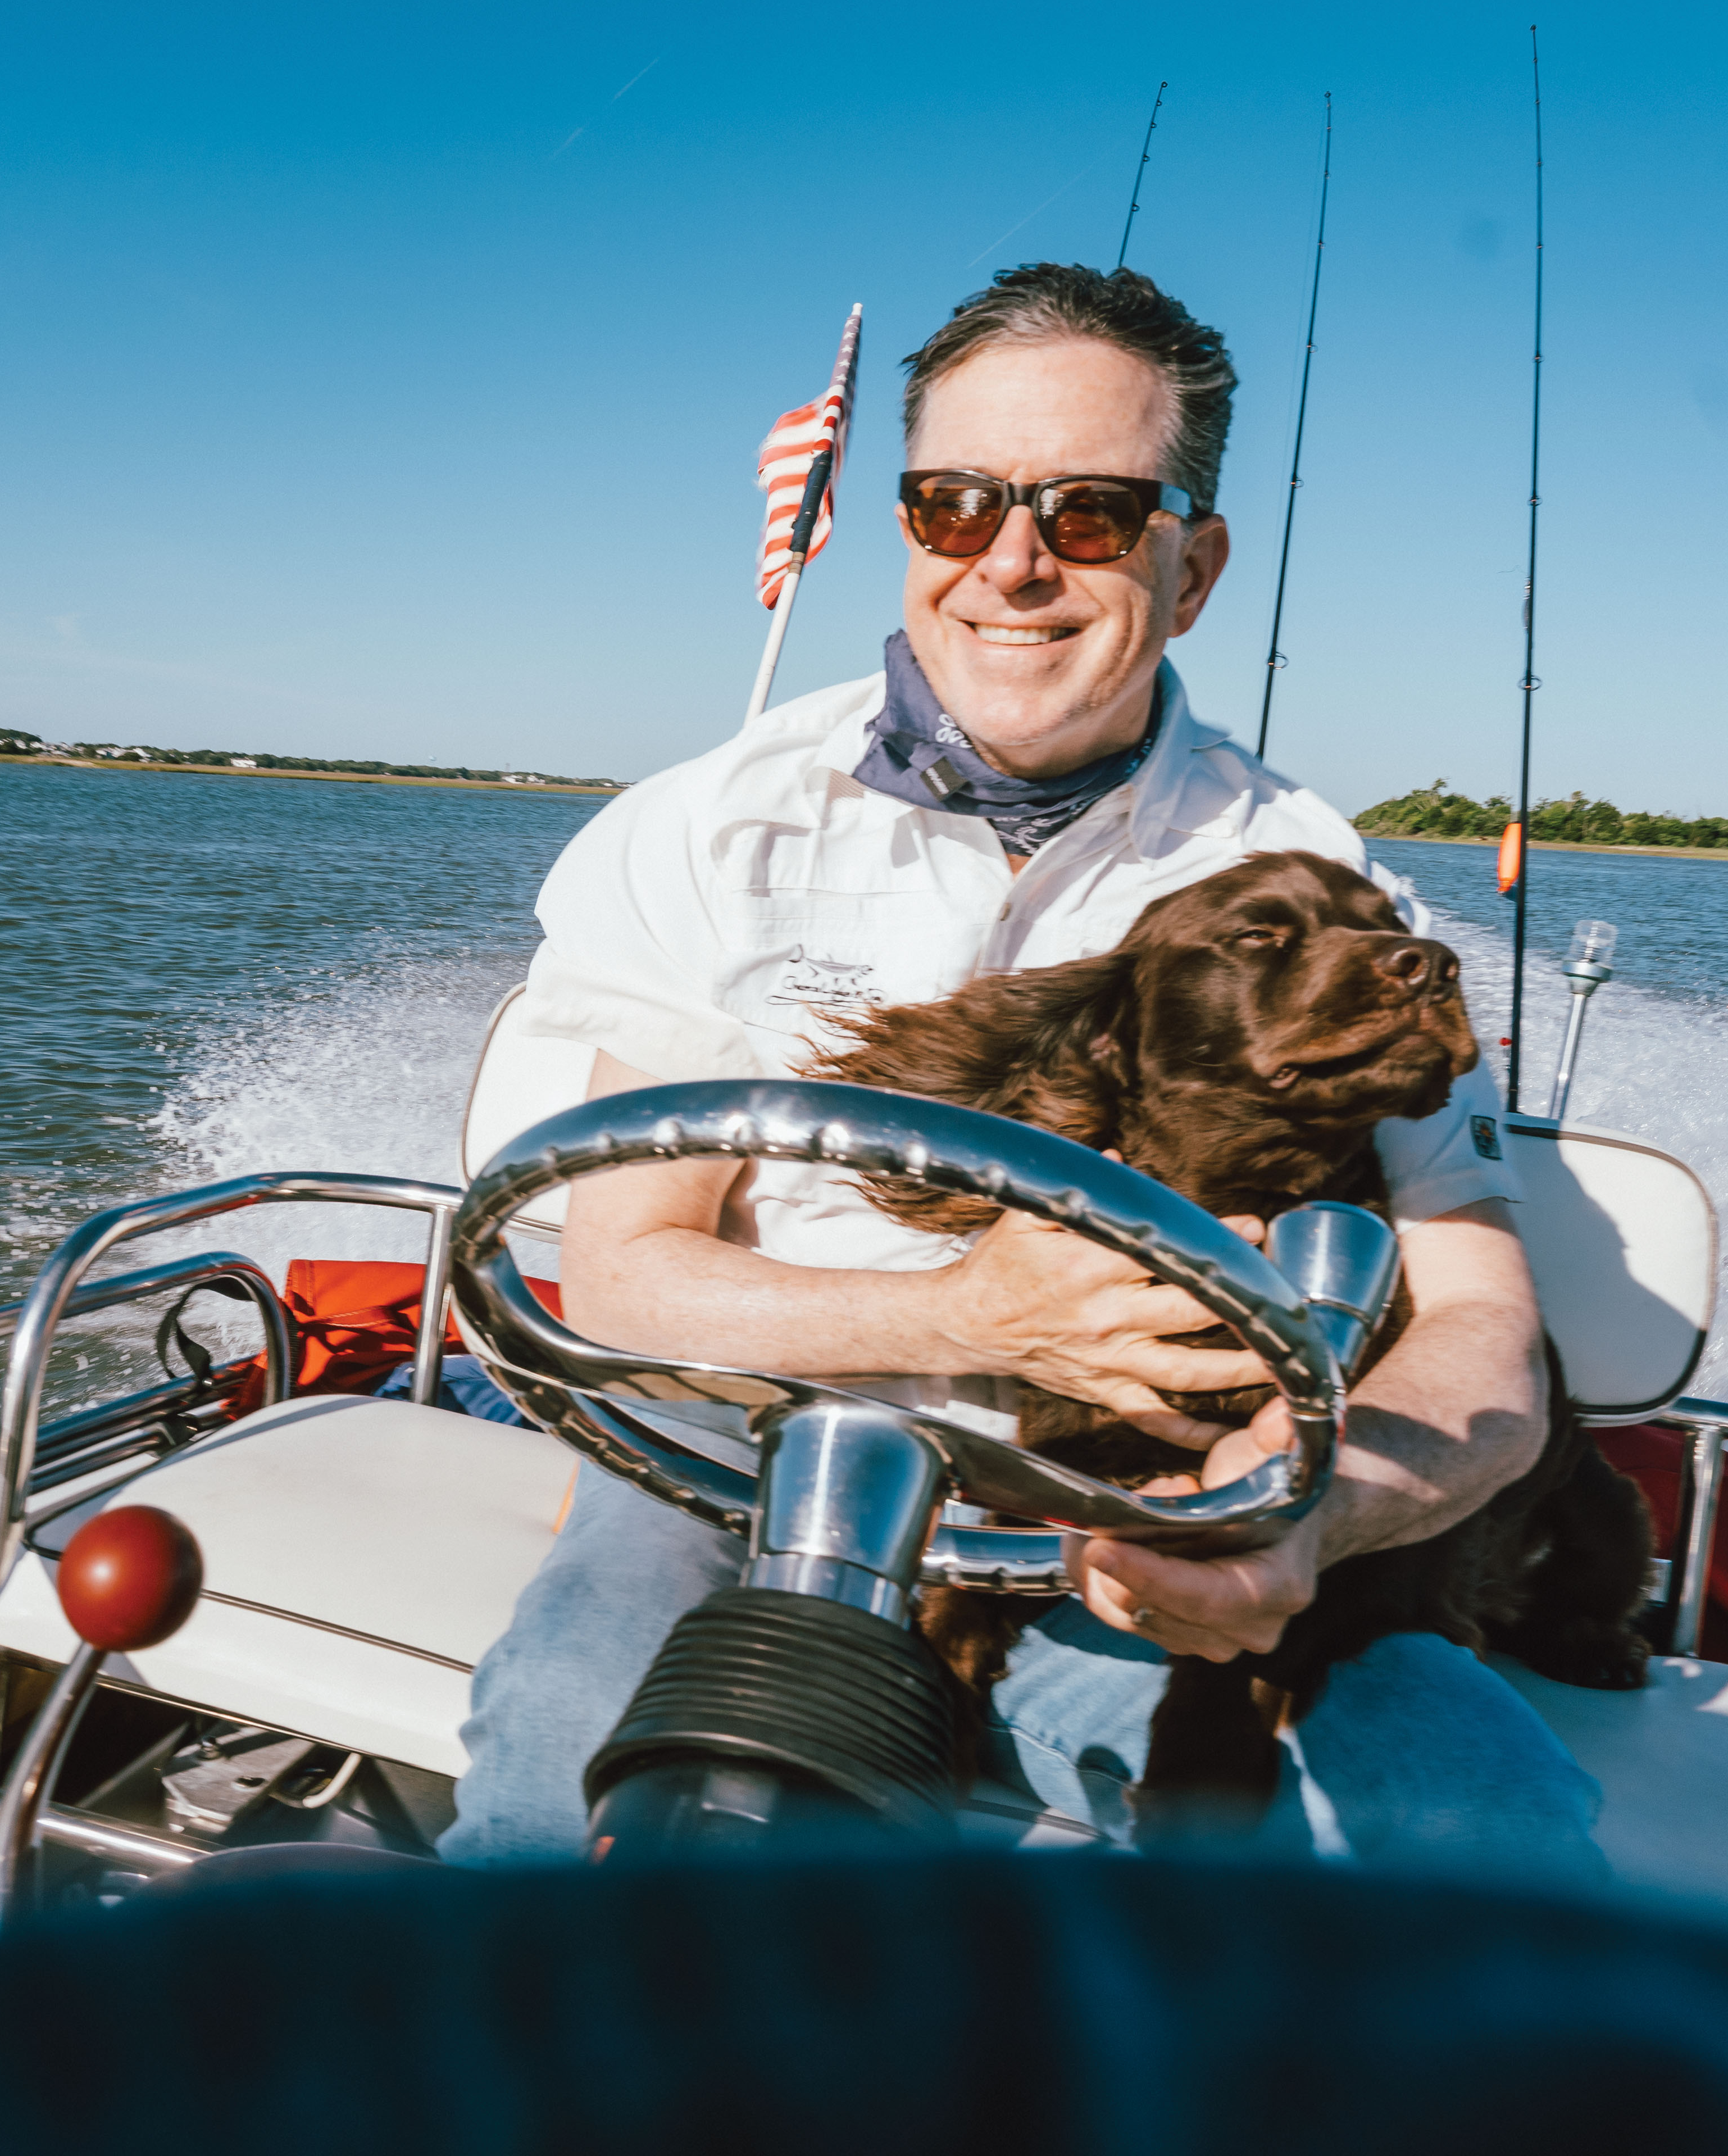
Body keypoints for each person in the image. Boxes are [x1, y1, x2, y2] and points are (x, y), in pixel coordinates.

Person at [444, 263, 1601, 1876]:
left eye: (1093, 516)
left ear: (1191, 569)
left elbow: (1485, 1331)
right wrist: (964, 1318)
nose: (1013, 565)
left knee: (1475, 1834)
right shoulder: (707, 828)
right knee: (554, 1814)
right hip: (735, 1471)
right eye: (955, 503)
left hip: (1146, 1511)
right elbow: (628, 1279)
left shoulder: (1318, 883)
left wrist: (1308, 1513)